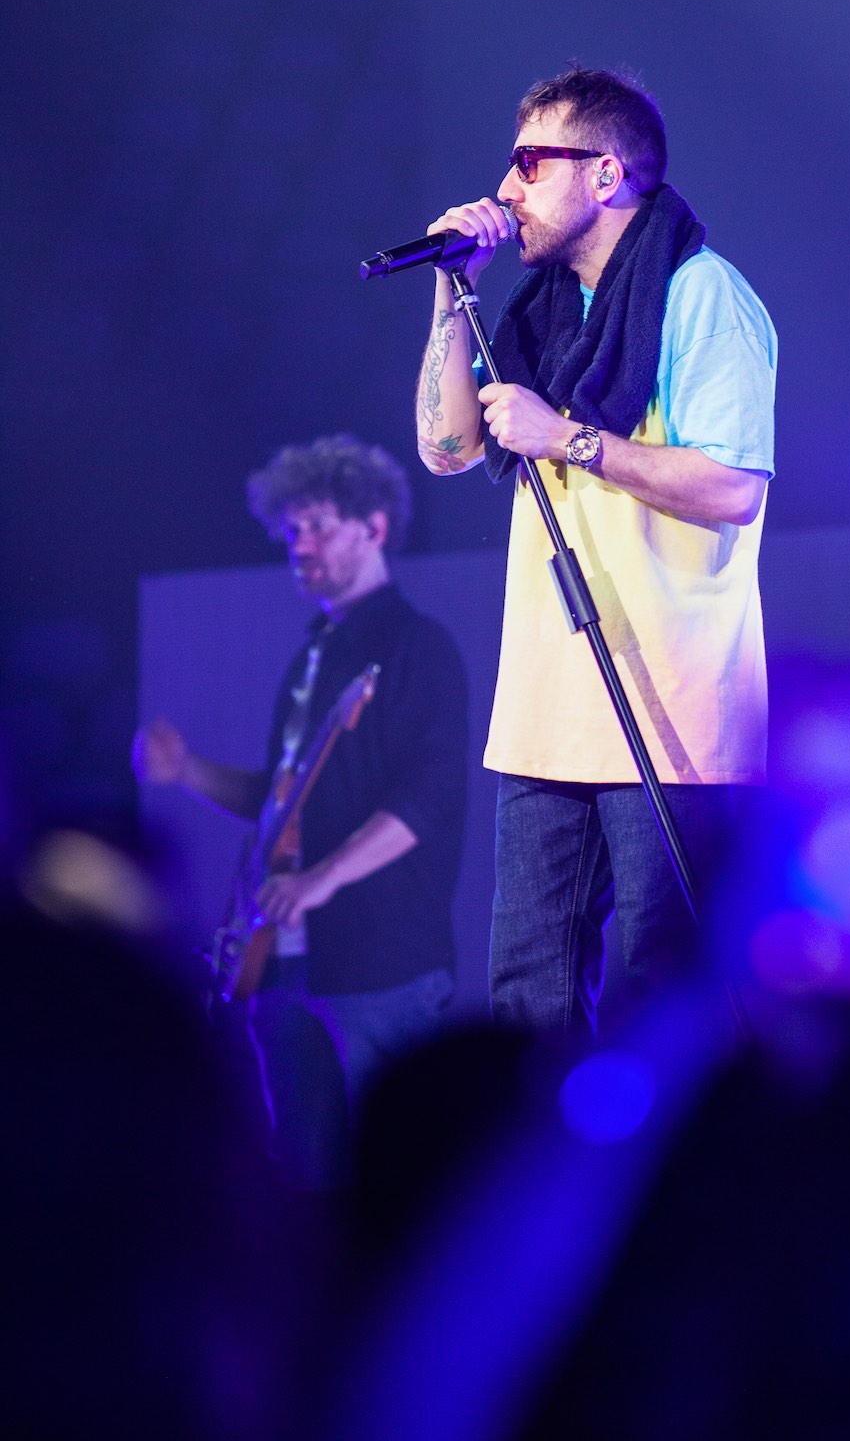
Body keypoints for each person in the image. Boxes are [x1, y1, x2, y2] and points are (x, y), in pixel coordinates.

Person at [415, 66, 776, 1033]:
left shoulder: (702, 296)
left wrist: (568, 438)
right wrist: (452, 289)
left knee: (664, 993)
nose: (507, 187)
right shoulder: (539, 313)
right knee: (526, 996)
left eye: (532, 162)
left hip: (670, 711)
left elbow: (734, 485)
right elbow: (446, 448)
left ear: (606, 174)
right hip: (545, 713)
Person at [134, 434, 468, 1187]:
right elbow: (278, 805)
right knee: (298, 1170)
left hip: (381, 964)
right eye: (291, 530)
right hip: (283, 962)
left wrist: (322, 879)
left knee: (395, 1169)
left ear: (374, 526)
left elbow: (430, 797)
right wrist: (185, 771)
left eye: (318, 525)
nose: (300, 545)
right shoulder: (310, 657)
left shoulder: (418, 647)